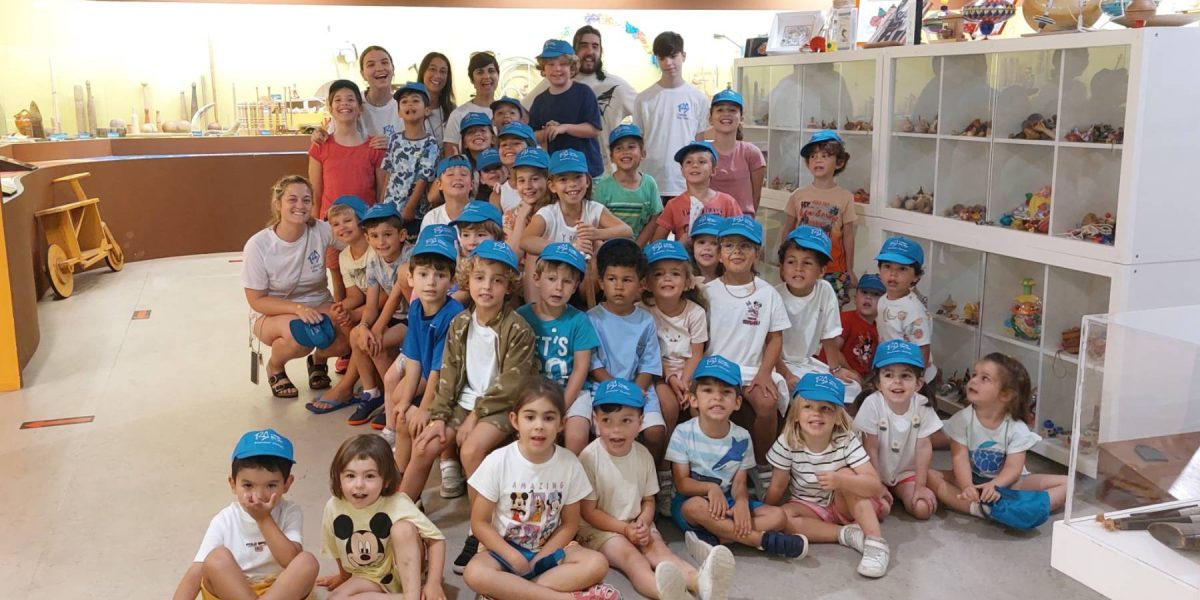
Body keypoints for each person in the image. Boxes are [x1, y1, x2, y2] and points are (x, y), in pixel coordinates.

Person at [401, 241, 537, 574]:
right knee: (424, 444)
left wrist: (474, 417)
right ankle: (396, 517)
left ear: (508, 287)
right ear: (468, 281)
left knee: (471, 448)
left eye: (496, 280)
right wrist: (438, 417)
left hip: (501, 407)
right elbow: (447, 376)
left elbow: (511, 385)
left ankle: (481, 533)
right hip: (464, 404)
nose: (486, 287)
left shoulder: (518, 328)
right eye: (479, 278)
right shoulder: (460, 324)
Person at [462, 378, 618, 600]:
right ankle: (564, 597)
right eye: (530, 417)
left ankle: (511, 592)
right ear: (515, 420)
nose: (539, 425)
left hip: (548, 550)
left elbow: (570, 523)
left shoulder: (570, 464)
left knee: (597, 563)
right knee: (475, 573)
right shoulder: (498, 461)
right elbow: (479, 523)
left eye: (548, 418)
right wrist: (513, 557)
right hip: (502, 551)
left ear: (561, 424)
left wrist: (540, 558)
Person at [579, 379, 734, 600]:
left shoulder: (643, 455)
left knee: (661, 552)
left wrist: (643, 521)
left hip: (637, 523)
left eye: (626, 420)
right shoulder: (588, 458)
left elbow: (649, 500)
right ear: (595, 421)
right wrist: (625, 530)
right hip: (601, 530)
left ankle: (702, 584)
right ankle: (672, 595)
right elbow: (588, 512)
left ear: (640, 422)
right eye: (607, 421)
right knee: (634, 560)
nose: (616, 430)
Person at [667, 355, 808, 571]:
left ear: (737, 402)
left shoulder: (741, 437)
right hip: (692, 501)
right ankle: (760, 540)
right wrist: (710, 487)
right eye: (708, 391)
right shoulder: (683, 433)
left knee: (778, 516)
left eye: (726, 392)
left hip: (729, 502)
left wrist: (741, 502)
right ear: (694, 399)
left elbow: (740, 482)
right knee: (695, 507)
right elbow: (682, 483)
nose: (717, 398)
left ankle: (719, 535)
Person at [764, 373, 891, 578]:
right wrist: (765, 510)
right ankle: (847, 534)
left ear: (838, 415)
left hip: (843, 502)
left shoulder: (845, 440)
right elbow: (778, 486)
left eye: (826, 408)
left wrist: (841, 480)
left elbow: (873, 484)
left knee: (847, 474)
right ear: (796, 413)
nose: (817, 414)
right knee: (782, 518)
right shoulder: (787, 441)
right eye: (808, 406)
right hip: (810, 505)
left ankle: (876, 543)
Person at [172, 429, 318, 600]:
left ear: (287, 484)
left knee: (306, 561)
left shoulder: (290, 512)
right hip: (233, 591)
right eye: (248, 485)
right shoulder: (225, 519)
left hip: (279, 591)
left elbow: (289, 561)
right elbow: (196, 571)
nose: (259, 495)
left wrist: (263, 519)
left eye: (271, 485)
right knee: (215, 559)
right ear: (233, 484)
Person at [702, 216, 790, 490]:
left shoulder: (768, 294)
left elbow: (775, 338)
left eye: (745, 246)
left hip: (751, 369)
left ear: (757, 253)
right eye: (728, 246)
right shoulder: (706, 292)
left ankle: (763, 464)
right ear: (719, 253)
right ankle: (705, 468)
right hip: (715, 369)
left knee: (766, 403)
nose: (736, 252)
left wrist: (765, 373)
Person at [243, 175, 348, 399]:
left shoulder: (321, 230)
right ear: (278, 204)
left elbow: (355, 244)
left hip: (319, 302)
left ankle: (318, 360)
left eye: (306, 200)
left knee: (347, 332)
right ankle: (276, 367)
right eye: (292, 199)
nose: (300, 206)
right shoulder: (259, 245)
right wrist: (297, 309)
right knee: (300, 335)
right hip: (272, 312)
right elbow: (256, 300)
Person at [928, 354, 1068, 520]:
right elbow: (960, 459)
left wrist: (995, 485)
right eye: (974, 375)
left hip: (1011, 483)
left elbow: (1013, 469)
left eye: (985, 378)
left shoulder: (1017, 428)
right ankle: (977, 509)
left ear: (1006, 395)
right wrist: (967, 487)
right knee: (927, 475)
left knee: (1068, 483)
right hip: (972, 478)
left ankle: (1025, 507)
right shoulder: (962, 419)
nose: (973, 381)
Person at [375, 226, 464, 484]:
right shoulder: (415, 307)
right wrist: (404, 402)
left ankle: (443, 465)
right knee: (402, 412)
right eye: (423, 274)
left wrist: (425, 409)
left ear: (451, 280)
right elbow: (413, 359)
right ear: (411, 278)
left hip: (452, 385)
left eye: (439, 275)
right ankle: (400, 474)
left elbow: (441, 371)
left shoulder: (453, 315)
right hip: (429, 373)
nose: (431, 282)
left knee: (417, 420)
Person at [317, 435, 446, 599]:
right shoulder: (333, 507)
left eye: (370, 476)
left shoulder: (397, 503)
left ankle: (413, 596)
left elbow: (436, 540)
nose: (359, 484)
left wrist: (433, 583)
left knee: (403, 528)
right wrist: (343, 577)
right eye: (350, 476)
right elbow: (335, 548)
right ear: (339, 477)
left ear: (386, 480)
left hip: (404, 574)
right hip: (367, 576)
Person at [575, 239, 668, 463]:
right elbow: (592, 362)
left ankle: (651, 475)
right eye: (612, 279)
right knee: (609, 432)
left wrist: (635, 391)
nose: (618, 287)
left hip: (639, 387)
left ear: (640, 284)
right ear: (601, 282)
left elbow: (648, 363)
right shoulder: (591, 319)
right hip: (602, 388)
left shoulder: (645, 320)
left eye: (627, 280)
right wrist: (615, 389)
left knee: (655, 432)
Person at [640, 239, 708, 514]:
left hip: (691, 373)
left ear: (688, 281)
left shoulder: (696, 313)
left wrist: (688, 384)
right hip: (658, 372)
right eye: (658, 274)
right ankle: (662, 471)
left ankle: (700, 475)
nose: (666, 279)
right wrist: (671, 379)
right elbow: (650, 353)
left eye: (675, 273)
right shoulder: (645, 311)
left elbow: (697, 352)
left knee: (697, 408)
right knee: (667, 406)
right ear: (646, 282)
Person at [521, 149, 632, 306]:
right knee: (534, 253)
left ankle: (589, 308)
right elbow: (525, 241)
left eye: (578, 177)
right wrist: (569, 248)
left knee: (597, 245)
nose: (572, 184)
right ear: (552, 186)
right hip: (554, 279)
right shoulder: (548, 213)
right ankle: (533, 308)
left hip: (583, 281)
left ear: (587, 181)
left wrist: (596, 233)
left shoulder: (593, 208)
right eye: (563, 179)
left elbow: (626, 231)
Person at [523, 25, 639, 172]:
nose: (590, 51)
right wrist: (549, 130)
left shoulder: (613, 86)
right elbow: (526, 124)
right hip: (558, 171)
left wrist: (632, 147)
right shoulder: (544, 91)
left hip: (597, 168)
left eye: (595, 46)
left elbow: (644, 113)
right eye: (584, 46)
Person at [854, 340, 942, 521]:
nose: (897, 382)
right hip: (873, 472)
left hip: (906, 474)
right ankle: (880, 491)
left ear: (918, 383)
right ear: (878, 382)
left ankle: (905, 491)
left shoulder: (923, 405)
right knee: (880, 510)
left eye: (906, 376)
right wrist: (876, 485)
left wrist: (920, 486)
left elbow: (924, 447)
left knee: (922, 509)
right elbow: (870, 448)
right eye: (888, 375)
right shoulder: (872, 403)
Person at [774, 225, 862, 406]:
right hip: (779, 364)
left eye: (807, 263)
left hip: (806, 363)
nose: (798, 269)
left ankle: (839, 430)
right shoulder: (773, 296)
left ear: (822, 271)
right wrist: (786, 374)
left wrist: (836, 369)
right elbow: (769, 344)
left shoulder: (825, 290)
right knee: (801, 392)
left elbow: (829, 336)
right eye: (791, 262)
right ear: (782, 267)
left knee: (852, 387)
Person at [517, 243, 599, 426]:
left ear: (576, 285)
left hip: (572, 391)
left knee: (577, 432)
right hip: (534, 391)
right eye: (552, 278)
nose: (559, 287)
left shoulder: (579, 320)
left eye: (567, 281)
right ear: (536, 279)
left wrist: (561, 407)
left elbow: (580, 369)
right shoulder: (522, 317)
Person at [344, 204, 411, 426]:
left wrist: (377, 329)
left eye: (387, 235)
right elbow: (372, 304)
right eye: (374, 236)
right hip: (391, 316)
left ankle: (392, 398)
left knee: (377, 342)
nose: (381, 241)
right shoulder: (374, 260)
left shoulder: (409, 257)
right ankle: (372, 392)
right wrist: (364, 325)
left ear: (401, 235)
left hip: (413, 317)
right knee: (356, 335)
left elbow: (394, 300)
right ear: (368, 238)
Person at [782, 130, 859, 306]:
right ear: (808, 162)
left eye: (825, 155)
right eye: (813, 156)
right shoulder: (798, 195)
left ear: (839, 162)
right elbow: (788, 228)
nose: (818, 159)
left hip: (834, 269)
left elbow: (848, 234)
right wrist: (784, 262)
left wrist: (850, 268)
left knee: (831, 312)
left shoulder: (845, 197)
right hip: (802, 266)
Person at [634, 32, 709, 203]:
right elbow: (638, 143)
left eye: (673, 56)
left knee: (686, 231)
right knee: (651, 230)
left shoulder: (698, 99)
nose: (668, 63)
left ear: (683, 56)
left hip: (686, 182)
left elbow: (700, 144)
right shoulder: (643, 99)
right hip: (651, 182)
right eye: (662, 58)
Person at [308, 80, 387, 219]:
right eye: (338, 100)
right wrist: (314, 225)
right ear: (330, 107)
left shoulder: (375, 147)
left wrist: (378, 221)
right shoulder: (320, 146)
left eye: (350, 99)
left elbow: (382, 193)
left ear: (360, 107)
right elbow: (315, 192)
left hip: (365, 223)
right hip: (330, 226)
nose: (344, 103)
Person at [529, 39, 604, 178]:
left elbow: (594, 129)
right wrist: (547, 131)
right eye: (550, 64)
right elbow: (531, 136)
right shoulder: (539, 101)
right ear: (543, 68)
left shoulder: (584, 93)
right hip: (557, 174)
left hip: (589, 172)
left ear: (572, 67)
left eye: (563, 64)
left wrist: (564, 128)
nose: (557, 69)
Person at [650, 141, 741, 245]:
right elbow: (656, 243)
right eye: (688, 162)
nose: (695, 165)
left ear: (713, 171)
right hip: (685, 260)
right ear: (682, 170)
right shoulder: (673, 205)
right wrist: (679, 245)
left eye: (702, 162)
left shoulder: (728, 203)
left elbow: (739, 237)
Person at [381, 82, 440, 237]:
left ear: (427, 110)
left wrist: (410, 207)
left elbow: (423, 179)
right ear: (399, 112)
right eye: (404, 102)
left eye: (415, 100)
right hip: (391, 208)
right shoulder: (395, 139)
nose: (409, 105)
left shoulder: (430, 143)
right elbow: (389, 171)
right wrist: (382, 201)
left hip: (414, 212)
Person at [874, 236, 936, 383]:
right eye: (887, 266)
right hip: (892, 371)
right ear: (879, 269)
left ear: (916, 276)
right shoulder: (883, 299)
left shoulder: (913, 310)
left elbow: (923, 349)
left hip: (914, 377)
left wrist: (915, 381)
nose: (893, 274)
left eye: (902, 269)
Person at [592, 124, 662, 246]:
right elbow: (597, 222)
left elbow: (655, 217)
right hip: (610, 249)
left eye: (631, 147)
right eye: (619, 148)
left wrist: (637, 247)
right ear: (611, 157)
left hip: (639, 249)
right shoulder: (603, 187)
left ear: (643, 153)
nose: (625, 152)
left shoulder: (649, 184)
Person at [326, 197, 370, 390]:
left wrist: (357, 313)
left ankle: (347, 385)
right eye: (335, 224)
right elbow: (356, 296)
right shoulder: (344, 256)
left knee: (356, 327)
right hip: (369, 305)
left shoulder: (376, 248)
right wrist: (340, 308)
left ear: (360, 221)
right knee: (341, 319)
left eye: (347, 221)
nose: (341, 227)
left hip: (388, 308)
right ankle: (363, 371)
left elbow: (388, 294)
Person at [706, 89, 766, 217]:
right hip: (708, 223)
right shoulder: (702, 152)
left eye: (732, 110)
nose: (726, 114)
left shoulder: (752, 153)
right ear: (711, 119)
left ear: (741, 118)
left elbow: (756, 196)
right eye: (720, 110)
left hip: (741, 224)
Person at [819, 274, 884, 380]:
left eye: (875, 294)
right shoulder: (846, 319)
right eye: (864, 292)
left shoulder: (878, 330)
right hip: (832, 373)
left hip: (857, 381)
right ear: (855, 298)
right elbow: (833, 348)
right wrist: (851, 371)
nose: (868, 297)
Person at [444, 51, 499, 156]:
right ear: (471, 79)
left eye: (491, 71)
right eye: (480, 72)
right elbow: (450, 158)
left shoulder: (507, 112)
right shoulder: (458, 115)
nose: (487, 76)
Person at [421, 156, 474, 230]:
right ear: (439, 184)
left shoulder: (484, 213)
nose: (458, 178)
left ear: (472, 184)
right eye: (450, 174)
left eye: (463, 174)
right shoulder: (432, 218)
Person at [495, 122, 539, 212]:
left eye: (516, 143)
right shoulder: (498, 194)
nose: (508, 147)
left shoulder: (545, 185)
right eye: (503, 145)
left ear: (531, 148)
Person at [417, 52, 455, 145]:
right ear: (423, 72)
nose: (438, 75)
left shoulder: (452, 110)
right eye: (432, 69)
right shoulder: (410, 108)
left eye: (443, 71)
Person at [688, 214, 723, 283]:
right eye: (701, 242)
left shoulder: (731, 278)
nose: (707, 248)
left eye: (714, 243)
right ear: (692, 245)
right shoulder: (685, 279)